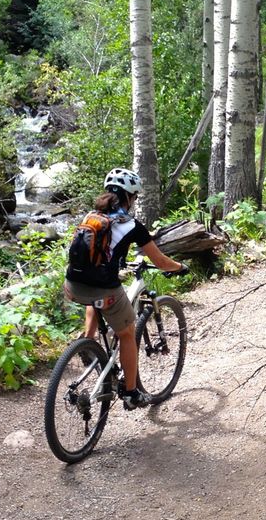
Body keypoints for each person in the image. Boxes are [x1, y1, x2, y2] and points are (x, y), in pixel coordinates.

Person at [63, 168, 187, 410]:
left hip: (72, 285)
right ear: (129, 197)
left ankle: (88, 341)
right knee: (128, 333)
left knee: (94, 296)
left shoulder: (91, 216)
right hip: (103, 290)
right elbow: (160, 262)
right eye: (135, 197)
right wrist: (179, 267)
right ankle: (131, 393)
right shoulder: (131, 225)